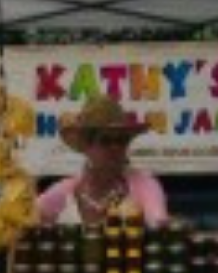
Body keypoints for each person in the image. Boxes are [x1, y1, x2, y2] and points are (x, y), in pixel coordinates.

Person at [36, 94, 170, 227]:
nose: (115, 148)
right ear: (86, 146)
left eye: (121, 140)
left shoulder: (145, 185)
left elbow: (159, 226)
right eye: (106, 141)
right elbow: (27, 219)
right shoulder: (64, 191)